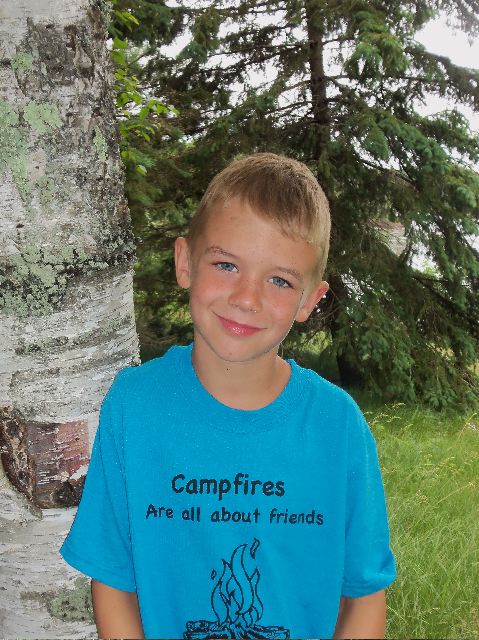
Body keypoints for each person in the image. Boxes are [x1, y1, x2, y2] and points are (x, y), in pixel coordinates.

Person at [60, 153, 396, 639]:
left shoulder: (337, 424)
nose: (246, 298)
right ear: (185, 262)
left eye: (279, 280)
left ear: (309, 300)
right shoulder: (134, 406)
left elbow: (363, 595)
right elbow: (113, 578)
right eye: (226, 264)